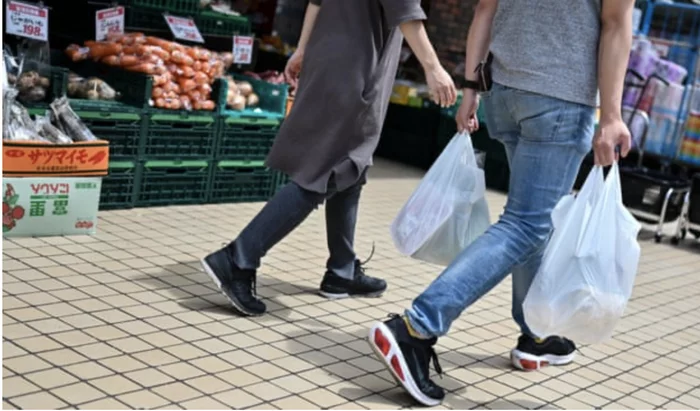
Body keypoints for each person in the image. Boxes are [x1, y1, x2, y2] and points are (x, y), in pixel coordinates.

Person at [367, 0, 635, 405]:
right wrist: (612, 115)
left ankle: (536, 334)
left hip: (505, 93)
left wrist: (472, 89)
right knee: (526, 224)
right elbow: (615, 24)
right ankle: (416, 327)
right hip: (558, 99)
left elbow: (483, 10)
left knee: (534, 223)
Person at [201, 0, 457, 316]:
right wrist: (433, 68)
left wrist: (303, 48)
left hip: (333, 55)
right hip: (356, 67)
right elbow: (404, 7)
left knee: (351, 167)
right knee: (326, 170)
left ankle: (342, 269)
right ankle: (238, 257)